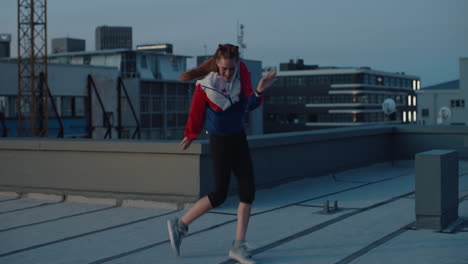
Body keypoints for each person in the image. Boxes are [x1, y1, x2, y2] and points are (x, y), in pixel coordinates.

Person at [167, 43, 276, 264]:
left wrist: (260, 89)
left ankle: (238, 246)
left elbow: (248, 104)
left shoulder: (241, 72)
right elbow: (196, 112)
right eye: (224, 68)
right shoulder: (206, 84)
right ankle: (180, 225)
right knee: (219, 194)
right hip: (219, 140)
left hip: (238, 138)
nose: (228, 73)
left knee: (248, 192)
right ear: (217, 63)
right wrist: (190, 134)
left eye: (232, 69)